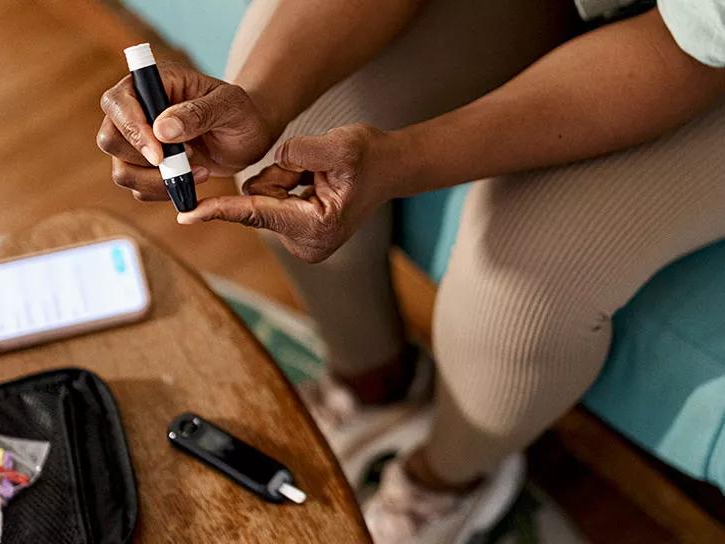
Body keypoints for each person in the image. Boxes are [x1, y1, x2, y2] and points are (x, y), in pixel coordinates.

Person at [97, 0, 725, 541]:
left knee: (519, 288)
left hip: (702, 56)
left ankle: (442, 482)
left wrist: (396, 162)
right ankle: (373, 384)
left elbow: (684, 46)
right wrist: (258, 102)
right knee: (292, 130)